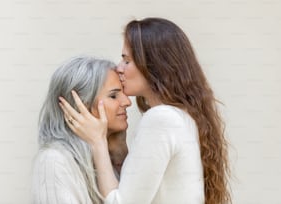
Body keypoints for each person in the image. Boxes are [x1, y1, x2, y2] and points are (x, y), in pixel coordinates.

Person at [59, 17, 231, 204]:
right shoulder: (181, 117)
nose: (119, 68)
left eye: (127, 60)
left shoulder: (161, 119)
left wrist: (97, 141)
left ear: (154, 65)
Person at [31, 56, 131, 204]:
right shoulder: (54, 161)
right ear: (80, 106)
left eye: (124, 94)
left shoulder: (110, 153)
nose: (127, 102)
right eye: (114, 95)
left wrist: (121, 159)